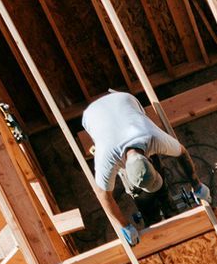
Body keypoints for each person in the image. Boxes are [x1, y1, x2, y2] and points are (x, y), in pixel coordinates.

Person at [82, 90, 206, 246]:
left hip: (125, 99)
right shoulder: (107, 159)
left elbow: (182, 152)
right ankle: (151, 218)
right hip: (93, 115)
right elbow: (103, 195)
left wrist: (197, 184)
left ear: (149, 158)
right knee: (142, 197)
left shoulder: (154, 137)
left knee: (158, 185)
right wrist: (124, 226)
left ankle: (167, 205)